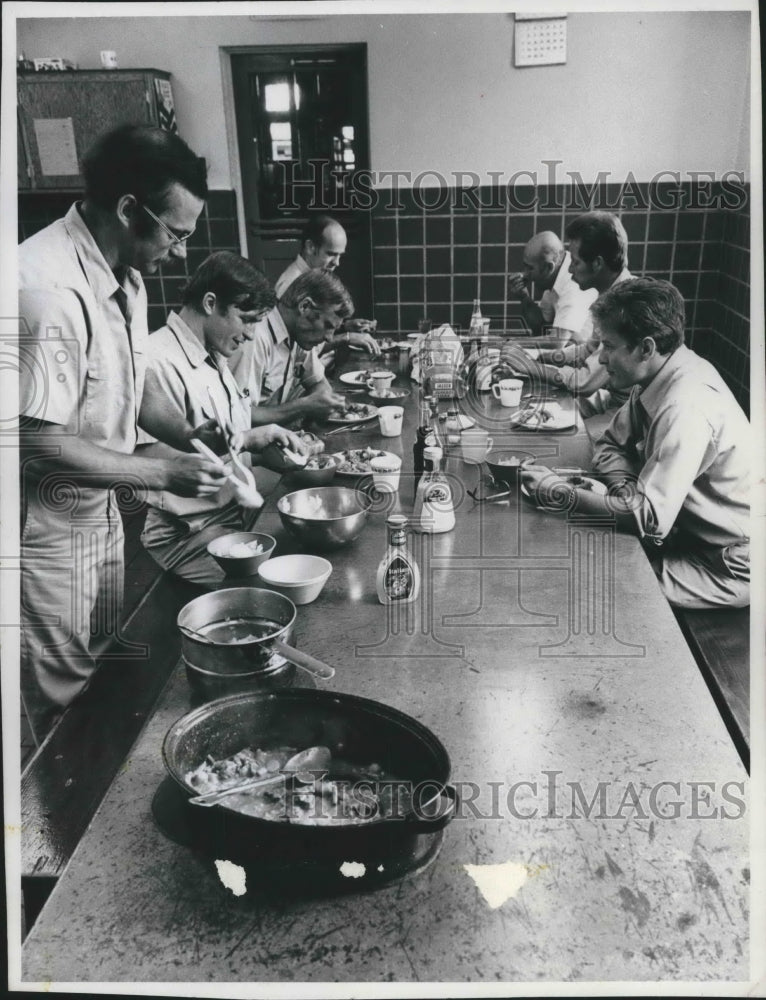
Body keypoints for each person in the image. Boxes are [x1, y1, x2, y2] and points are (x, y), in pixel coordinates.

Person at [18, 124, 228, 742]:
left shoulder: (126, 276)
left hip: (102, 512)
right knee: (57, 702)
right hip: (43, 534)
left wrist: (192, 433)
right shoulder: (45, 288)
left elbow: (130, 388)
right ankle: (50, 829)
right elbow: (34, 442)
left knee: (106, 671)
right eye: (177, 233)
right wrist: (163, 471)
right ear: (129, 209)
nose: (184, 252)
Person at [522, 278, 750, 610]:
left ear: (645, 348)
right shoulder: (657, 375)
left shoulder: (684, 406)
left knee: (593, 586)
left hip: (724, 565)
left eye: (609, 346)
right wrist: (627, 490)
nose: (600, 359)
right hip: (685, 537)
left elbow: (649, 520)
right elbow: (610, 444)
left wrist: (562, 493)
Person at [138, 252, 308, 586]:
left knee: (303, 555)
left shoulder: (214, 357)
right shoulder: (154, 361)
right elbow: (151, 464)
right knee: (276, 588)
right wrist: (242, 442)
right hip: (188, 534)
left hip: (232, 516)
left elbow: (222, 444)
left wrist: (259, 449)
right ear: (211, 303)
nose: (250, 334)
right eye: (246, 319)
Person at [501, 213, 632, 417]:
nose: (569, 270)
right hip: (608, 399)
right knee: (536, 412)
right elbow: (586, 350)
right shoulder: (609, 296)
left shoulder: (623, 307)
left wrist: (530, 366)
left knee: (557, 438)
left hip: (626, 415)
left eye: (576, 262)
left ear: (597, 264)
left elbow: (584, 382)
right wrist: (541, 358)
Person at [229, 269, 354, 426]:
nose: (329, 337)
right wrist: (304, 406)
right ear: (305, 306)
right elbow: (239, 415)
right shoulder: (256, 337)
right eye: (327, 325)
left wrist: (323, 400)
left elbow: (319, 383)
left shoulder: (299, 335)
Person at [274, 214, 380, 357]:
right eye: (331, 254)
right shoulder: (290, 284)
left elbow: (312, 324)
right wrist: (346, 337)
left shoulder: (313, 278)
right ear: (310, 247)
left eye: (340, 255)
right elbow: (299, 349)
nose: (337, 263)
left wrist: (344, 326)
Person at [507, 231, 597, 341]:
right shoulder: (554, 277)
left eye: (530, 268)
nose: (524, 274)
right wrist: (524, 298)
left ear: (549, 268)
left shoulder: (572, 285)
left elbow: (557, 342)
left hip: (587, 355)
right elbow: (540, 328)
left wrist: (511, 342)